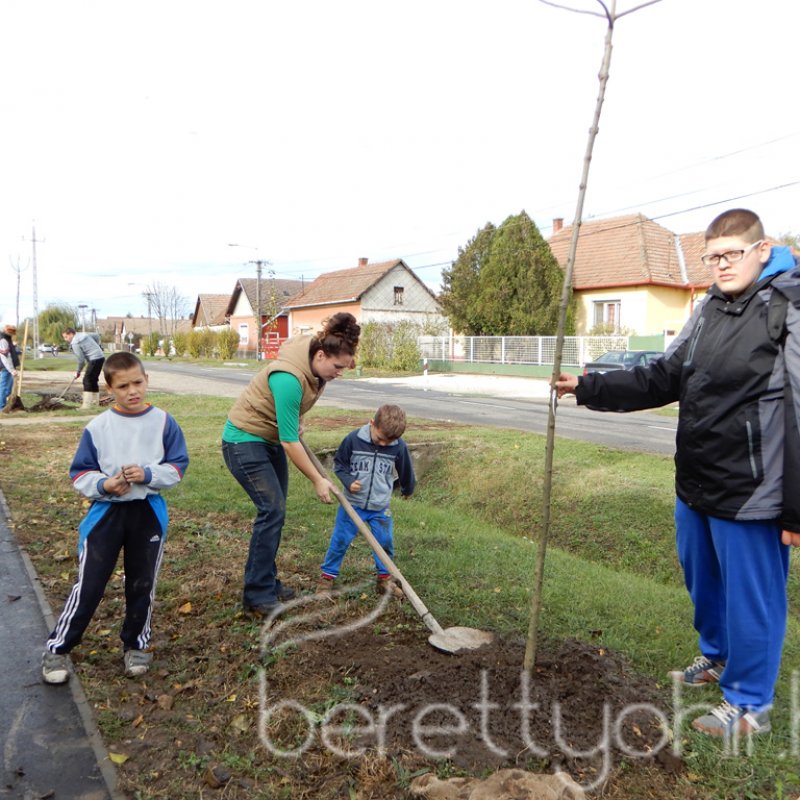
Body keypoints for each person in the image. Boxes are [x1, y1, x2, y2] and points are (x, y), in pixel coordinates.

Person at [555, 209, 800, 740]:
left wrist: (797, 507)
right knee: (704, 582)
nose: (721, 265)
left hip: (753, 491)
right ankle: (716, 658)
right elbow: (665, 375)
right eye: (712, 257)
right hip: (696, 480)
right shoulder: (709, 308)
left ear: (763, 249)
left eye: (732, 253)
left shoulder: (789, 306)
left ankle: (751, 702)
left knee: (752, 597)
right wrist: (588, 386)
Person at [41, 352, 189, 684]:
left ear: (147, 379)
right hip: (106, 516)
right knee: (90, 585)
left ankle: (136, 644)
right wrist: (105, 484)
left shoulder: (165, 422)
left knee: (142, 583)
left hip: (147, 514)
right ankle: (58, 649)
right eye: (123, 386)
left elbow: (178, 467)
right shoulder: (98, 427)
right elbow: (80, 475)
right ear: (110, 388)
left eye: (138, 382)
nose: (132, 391)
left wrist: (148, 473)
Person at [222, 312, 361, 617]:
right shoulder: (289, 378)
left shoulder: (316, 365)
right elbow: (289, 442)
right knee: (272, 510)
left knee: (276, 511)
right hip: (243, 441)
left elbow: (288, 421)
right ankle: (257, 595)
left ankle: (267, 582)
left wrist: (294, 420)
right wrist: (317, 479)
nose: (340, 373)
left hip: (267, 439)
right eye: (337, 367)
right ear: (321, 355)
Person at [317, 404, 416, 596]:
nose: (384, 445)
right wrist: (348, 481)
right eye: (380, 439)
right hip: (352, 505)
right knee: (340, 540)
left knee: (384, 542)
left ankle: (384, 580)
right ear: (372, 423)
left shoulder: (398, 446)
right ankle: (326, 579)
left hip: (380, 507)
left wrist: (408, 489)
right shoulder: (354, 440)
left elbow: (406, 470)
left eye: (390, 441)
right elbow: (339, 465)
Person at [62, 327, 105, 408]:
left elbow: (81, 360)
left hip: (94, 359)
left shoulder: (75, 342)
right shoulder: (83, 335)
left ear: (71, 334)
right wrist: (96, 347)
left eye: (66, 337)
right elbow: (96, 336)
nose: (65, 339)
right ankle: (95, 404)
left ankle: (86, 406)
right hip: (100, 357)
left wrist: (78, 372)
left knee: (87, 380)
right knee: (93, 380)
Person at [0, 324, 20, 408]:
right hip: (6, 368)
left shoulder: (8, 339)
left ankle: (4, 405)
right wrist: (11, 370)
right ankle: (1, 408)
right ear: (7, 331)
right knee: (4, 388)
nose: (12, 334)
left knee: (8, 389)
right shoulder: (3, 340)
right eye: (12, 332)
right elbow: (5, 357)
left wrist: (17, 350)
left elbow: (10, 353)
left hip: (10, 368)